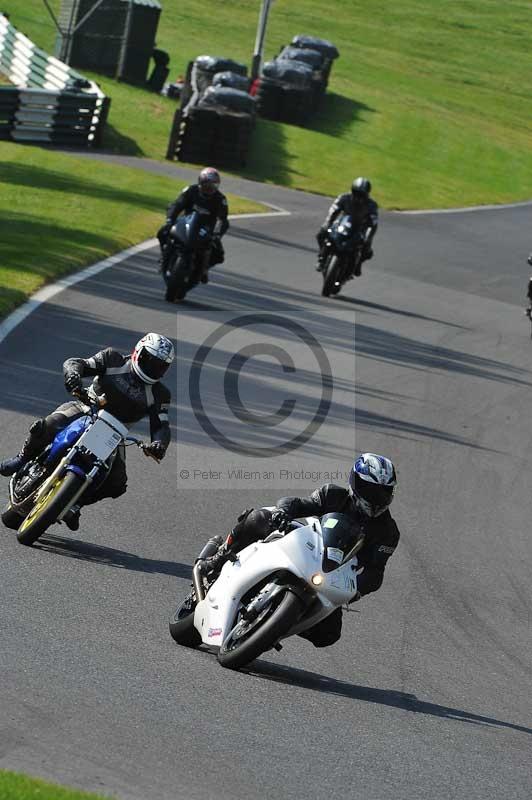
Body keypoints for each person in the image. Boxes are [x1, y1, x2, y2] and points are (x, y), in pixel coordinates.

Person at [202, 453, 400, 648]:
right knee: (259, 518)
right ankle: (218, 558)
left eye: (383, 493)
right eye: (370, 490)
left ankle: (276, 624)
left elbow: (375, 573)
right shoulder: (332, 494)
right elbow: (297, 504)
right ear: (355, 482)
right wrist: (282, 512)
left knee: (329, 634)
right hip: (306, 546)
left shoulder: (388, 532)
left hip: (333, 573)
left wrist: (355, 591)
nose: (376, 499)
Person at [0, 333, 174, 531]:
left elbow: (161, 425)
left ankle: (75, 503)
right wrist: (73, 375)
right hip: (85, 408)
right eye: (149, 360)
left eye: (160, 366)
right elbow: (77, 363)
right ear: (138, 352)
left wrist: (159, 444)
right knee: (47, 424)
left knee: (117, 482)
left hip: (115, 434)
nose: (153, 368)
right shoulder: (112, 358)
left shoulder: (160, 394)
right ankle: (21, 459)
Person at [157, 167, 229, 283]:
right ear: (200, 182)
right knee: (163, 232)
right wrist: (170, 220)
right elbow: (176, 205)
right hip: (185, 222)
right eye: (206, 184)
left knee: (218, 254)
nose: (210, 188)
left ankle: (204, 269)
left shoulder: (220, 199)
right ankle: (164, 256)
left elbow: (223, 220)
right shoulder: (191, 190)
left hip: (206, 229)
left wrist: (217, 234)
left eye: (213, 185)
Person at [316, 177, 379, 276]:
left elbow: (374, 223)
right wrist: (327, 223)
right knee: (321, 233)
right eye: (356, 193)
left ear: (366, 195)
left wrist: (368, 237)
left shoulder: (372, 205)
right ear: (352, 190)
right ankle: (321, 257)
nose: (358, 198)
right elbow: (333, 211)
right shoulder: (344, 197)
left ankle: (358, 265)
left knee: (367, 250)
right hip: (343, 224)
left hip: (359, 228)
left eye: (361, 195)